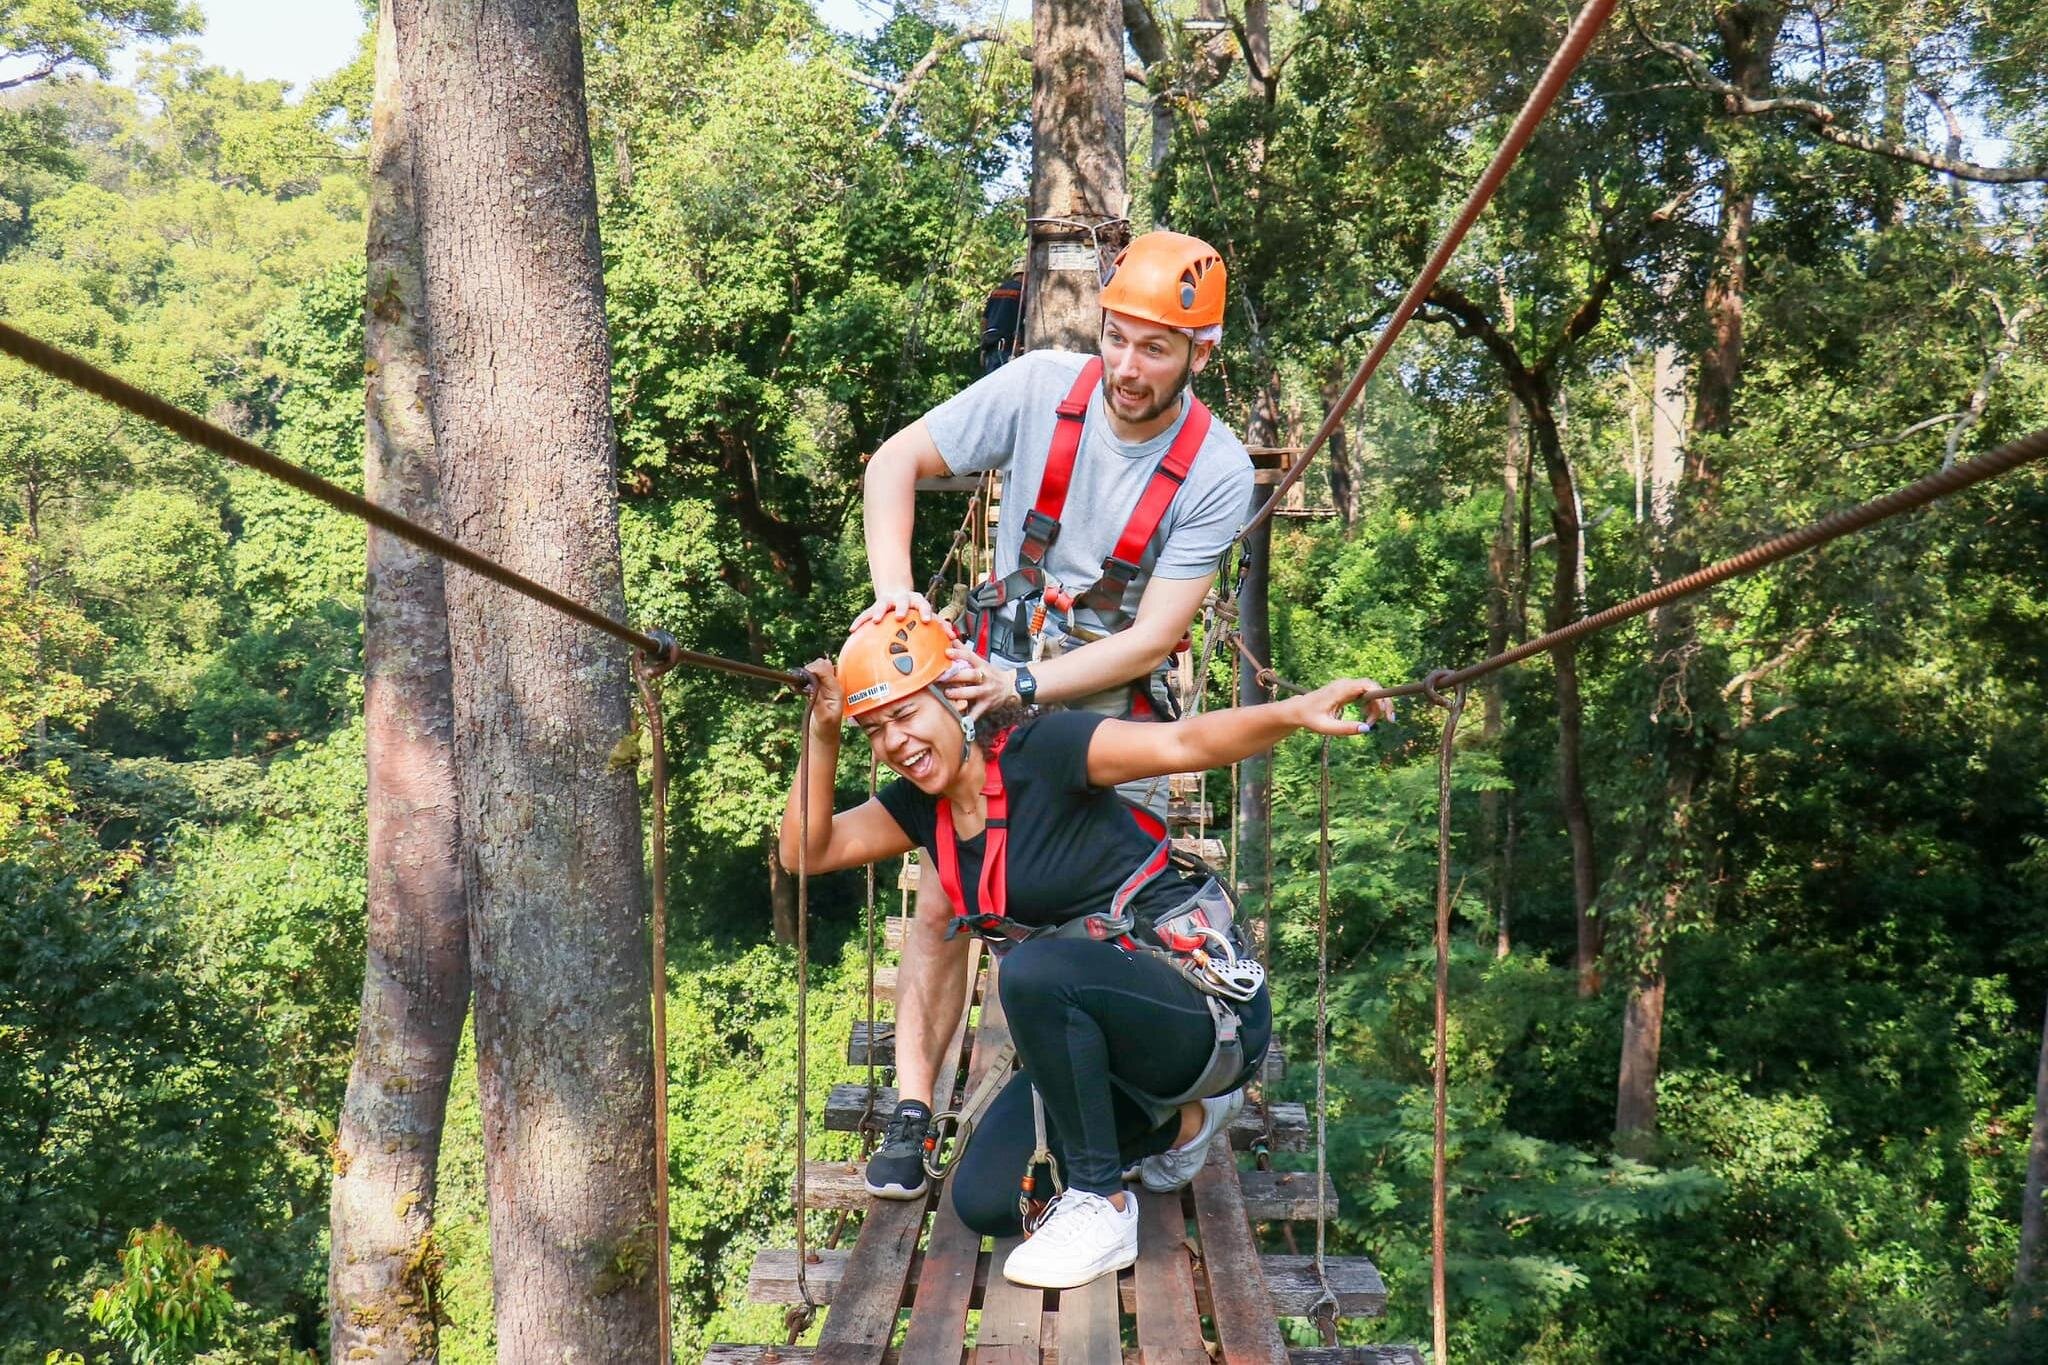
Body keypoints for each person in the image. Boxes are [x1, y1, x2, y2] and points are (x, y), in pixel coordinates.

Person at [778, 613, 1393, 1289]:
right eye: (875, 730)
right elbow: (807, 851)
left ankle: (1103, 1205)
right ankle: (1188, 1123)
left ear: (956, 698)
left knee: (1032, 973)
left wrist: (1295, 712)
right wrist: (823, 732)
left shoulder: (1047, 749)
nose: (895, 741)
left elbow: (1184, 740)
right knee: (986, 1198)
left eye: (906, 714)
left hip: (1198, 1008)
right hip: (1098, 1028)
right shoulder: (922, 806)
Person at [856, 230, 1257, 1202]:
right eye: (1116, 338)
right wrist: (898, 598)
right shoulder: (1039, 386)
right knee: (946, 894)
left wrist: (1029, 686)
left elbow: (1154, 637)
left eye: (1155, 348)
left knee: (1102, 924)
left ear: (1199, 353)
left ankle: (1158, 1101)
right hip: (985, 690)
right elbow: (893, 463)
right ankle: (915, 1108)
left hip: (1099, 713)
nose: (1127, 366)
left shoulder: (1215, 469)